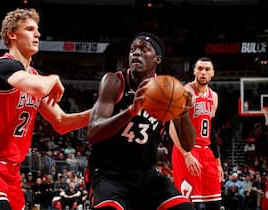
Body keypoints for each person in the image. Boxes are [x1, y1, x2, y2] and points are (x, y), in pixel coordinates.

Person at [0, 8, 90, 210]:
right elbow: (38, 87)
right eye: (29, 29)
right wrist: (54, 78)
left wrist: (103, 112)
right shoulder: (2, 66)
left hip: (11, 172)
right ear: (12, 35)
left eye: (37, 30)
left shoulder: (35, 76)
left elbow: (61, 123)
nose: (37, 34)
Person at [86, 32, 196, 210]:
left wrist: (184, 113)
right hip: (108, 174)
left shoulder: (169, 92)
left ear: (157, 59)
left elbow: (188, 144)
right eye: (133, 49)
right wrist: (132, 110)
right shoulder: (114, 82)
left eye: (144, 49)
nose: (136, 53)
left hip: (146, 175)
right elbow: (92, 133)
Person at [170, 57, 223, 210]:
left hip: (207, 153)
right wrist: (186, 154)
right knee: (192, 205)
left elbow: (211, 131)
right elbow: (173, 127)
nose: (203, 72)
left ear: (212, 73)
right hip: (187, 150)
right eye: (200, 69)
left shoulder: (214, 96)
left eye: (207, 69)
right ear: (194, 71)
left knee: (215, 203)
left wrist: (218, 163)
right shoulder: (185, 93)